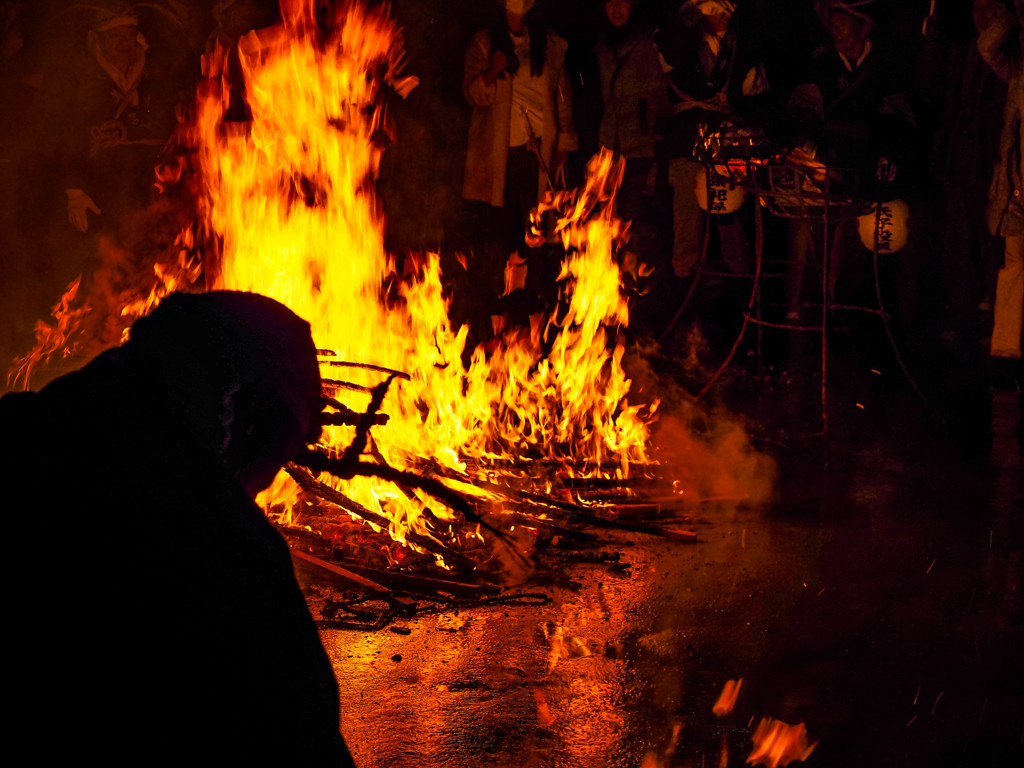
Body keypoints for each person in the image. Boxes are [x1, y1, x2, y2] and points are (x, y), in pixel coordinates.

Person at [0, 291, 356, 765]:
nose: (271, 477)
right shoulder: (223, 552)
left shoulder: (19, 436)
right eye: (282, 446)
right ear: (241, 408)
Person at [461, 0, 577, 333]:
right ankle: (496, 307)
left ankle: (531, 305)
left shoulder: (549, 44)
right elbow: (472, 94)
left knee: (538, 229)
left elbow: (562, 94)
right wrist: (493, 71)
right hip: (498, 155)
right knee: (499, 228)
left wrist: (565, 142)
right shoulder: (484, 42)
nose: (517, 9)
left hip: (537, 152)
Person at [654, 0, 769, 281]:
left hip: (729, 138)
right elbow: (672, 50)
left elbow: (755, 94)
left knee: (731, 199)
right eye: (712, 7)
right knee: (686, 199)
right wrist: (691, 15)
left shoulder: (741, 40)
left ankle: (737, 268)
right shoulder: (677, 37)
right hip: (686, 136)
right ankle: (686, 269)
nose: (718, 14)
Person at [977, 0, 1024, 378]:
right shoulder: (1018, 70)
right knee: (1013, 267)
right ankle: (1006, 351)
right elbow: (987, 46)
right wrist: (1013, 15)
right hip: (1017, 186)